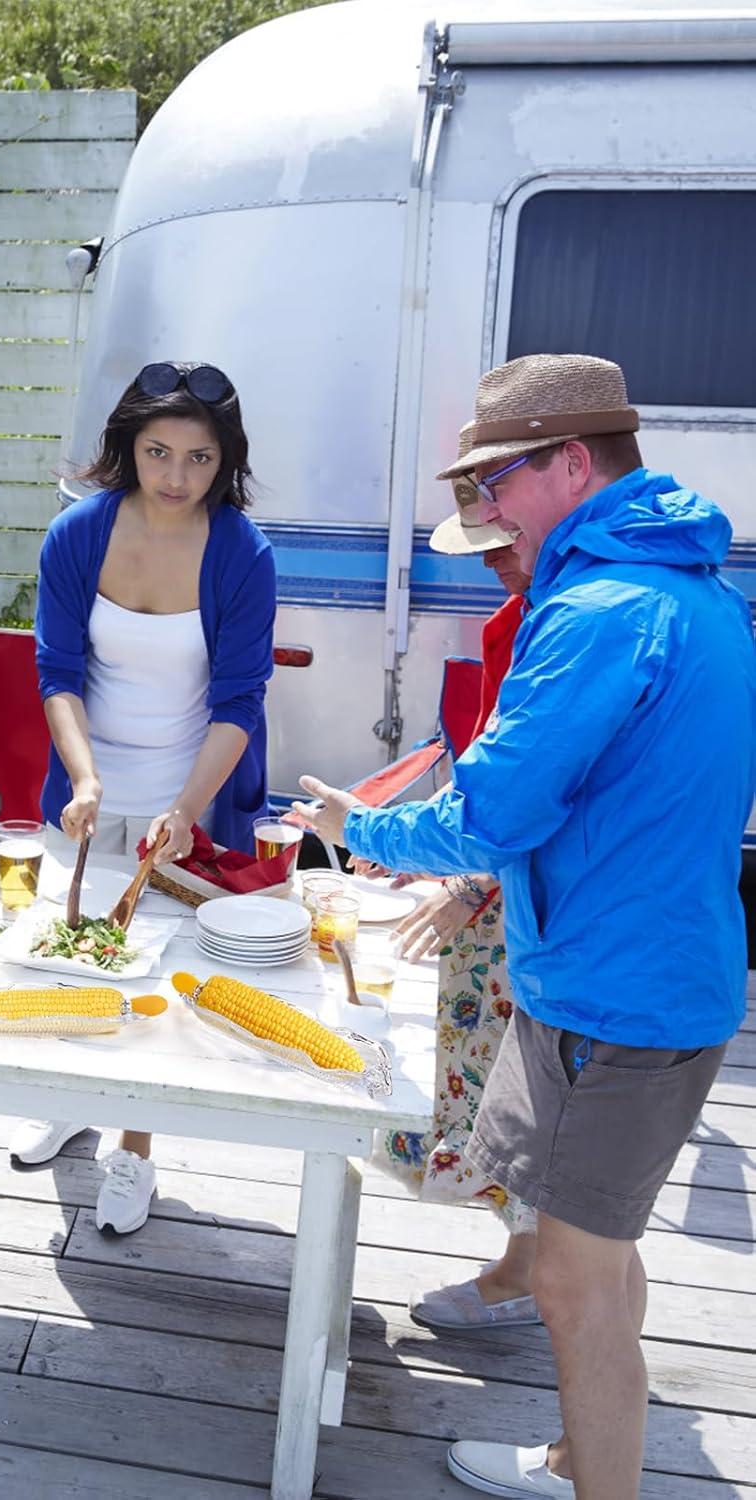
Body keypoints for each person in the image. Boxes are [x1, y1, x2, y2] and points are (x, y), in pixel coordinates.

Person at [295, 353, 756, 1500]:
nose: (482, 510)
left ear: (571, 461)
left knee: (575, 1281)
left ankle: (598, 1485)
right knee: (586, 1256)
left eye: (495, 482)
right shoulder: (691, 584)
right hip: (637, 975)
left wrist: (367, 833)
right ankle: (572, 1454)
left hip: (620, 1000)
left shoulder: (602, 608)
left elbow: (494, 812)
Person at [12, 360, 276, 1234]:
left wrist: (187, 809)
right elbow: (57, 672)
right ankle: (76, 1096)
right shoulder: (77, 534)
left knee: (158, 983)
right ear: (127, 446)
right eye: (158, 452)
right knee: (72, 954)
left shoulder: (242, 552)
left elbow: (240, 701)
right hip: (90, 784)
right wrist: (85, 777)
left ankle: (135, 1155)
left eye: (199, 460)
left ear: (224, 462)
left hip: (189, 791)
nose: (175, 478)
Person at [374, 430, 540, 1331]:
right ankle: (528, 1261)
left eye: (504, 540)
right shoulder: (508, 622)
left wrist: (466, 877)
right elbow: (484, 771)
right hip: (500, 881)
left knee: (530, 1078)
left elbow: (535, 791)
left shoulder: (579, 617)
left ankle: (534, 1274)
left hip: (537, 892)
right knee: (482, 1062)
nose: (499, 561)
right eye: (486, 546)